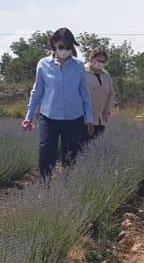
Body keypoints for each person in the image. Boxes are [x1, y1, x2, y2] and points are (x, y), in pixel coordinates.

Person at [22, 27, 94, 181]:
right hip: (49, 117)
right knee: (47, 151)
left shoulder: (78, 66)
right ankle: (44, 186)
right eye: (61, 47)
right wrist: (29, 117)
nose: (64, 51)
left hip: (74, 118)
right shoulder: (43, 64)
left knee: (70, 154)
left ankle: (67, 187)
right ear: (54, 44)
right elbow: (37, 93)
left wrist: (89, 118)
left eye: (68, 47)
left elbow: (84, 94)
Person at [84, 48, 115, 140]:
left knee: (97, 147)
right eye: (98, 60)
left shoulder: (106, 75)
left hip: (101, 119)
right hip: (84, 120)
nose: (100, 63)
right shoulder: (82, 72)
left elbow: (111, 94)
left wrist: (108, 110)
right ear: (91, 59)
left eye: (103, 61)